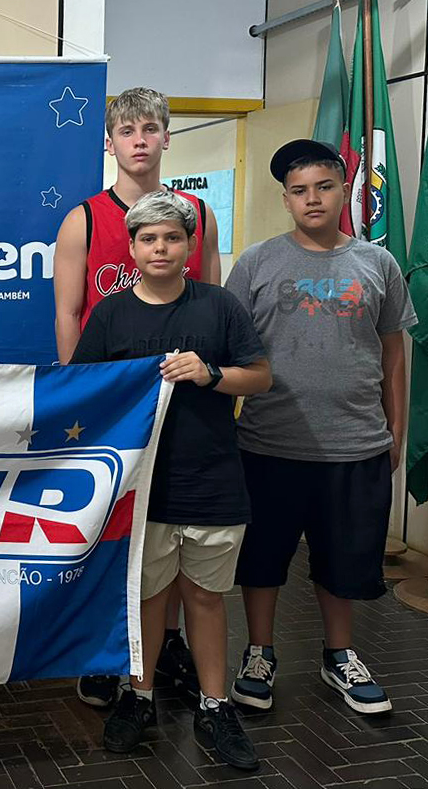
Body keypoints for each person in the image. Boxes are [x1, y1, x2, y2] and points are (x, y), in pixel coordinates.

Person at [72, 190, 271, 770]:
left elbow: (260, 377)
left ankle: (214, 705)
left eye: (172, 238)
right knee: (147, 599)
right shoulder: (111, 314)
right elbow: (80, 389)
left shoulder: (220, 306)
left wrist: (211, 373)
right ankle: (139, 696)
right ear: (132, 248)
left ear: (190, 245)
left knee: (206, 598)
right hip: (140, 487)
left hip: (213, 479)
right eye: (148, 239)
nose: (160, 248)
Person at [226, 139, 417, 715]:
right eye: (299, 190)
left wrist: (397, 430)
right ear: (286, 199)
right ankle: (259, 653)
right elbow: (230, 350)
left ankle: (340, 655)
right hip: (269, 443)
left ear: (344, 191)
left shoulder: (378, 264)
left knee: (345, 561)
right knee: (263, 559)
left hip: (355, 445)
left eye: (324, 187)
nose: (313, 199)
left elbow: (393, 354)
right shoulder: (256, 264)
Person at [54, 86, 219, 707]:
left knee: (170, 528)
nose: (140, 140)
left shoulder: (196, 215)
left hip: (180, 400)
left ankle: (166, 643)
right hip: (111, 406)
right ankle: (107, 646)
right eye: (127, 130)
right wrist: (80, 397)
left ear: (167, 137)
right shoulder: (85, 219)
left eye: (150, 128)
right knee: (111, 526)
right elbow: (68, 314)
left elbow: (213, 307)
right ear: (110, 143)